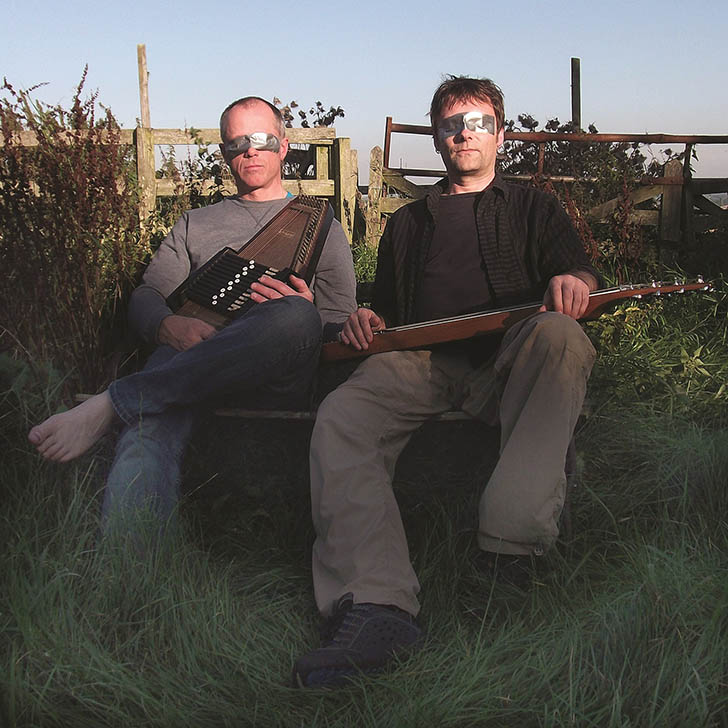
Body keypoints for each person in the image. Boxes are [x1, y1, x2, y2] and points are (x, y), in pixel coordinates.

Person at [293, 76, 601, 688]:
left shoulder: (533, 207)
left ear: (500, 135)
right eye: (452, 124)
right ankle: (376, 605)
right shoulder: (408, 222)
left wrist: (576, 284)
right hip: (420, 363)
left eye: (479, 122)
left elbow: (581, 272)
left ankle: (509, 549)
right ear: (437, 139)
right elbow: (387, 306)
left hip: (511, 361)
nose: (465, 134)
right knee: (344, 415)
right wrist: (366, 318)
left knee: (562, 336)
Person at [28, 97, 357, 537]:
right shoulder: (194, 223)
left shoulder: (322, 226)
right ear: (224, 153)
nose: (250, 150)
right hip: (189, 354)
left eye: (262, 139)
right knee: (149, 427)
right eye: (237, 142)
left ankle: (114, 401)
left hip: (273, 373)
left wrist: (308, 310)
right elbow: (148, 294)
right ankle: (131, 565)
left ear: (283, 146)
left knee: (297, 316)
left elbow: (338, 320)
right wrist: (167, 325)